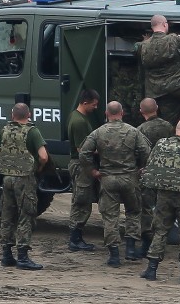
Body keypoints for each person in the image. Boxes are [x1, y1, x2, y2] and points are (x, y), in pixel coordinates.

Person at [79, 101, 151, 267]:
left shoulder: (98, 132)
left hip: (108, 178)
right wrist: (142, 167)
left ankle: (114, 255)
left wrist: (93, 171)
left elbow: (84, 153)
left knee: (110, 217)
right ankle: (131, 249)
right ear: (122, 113)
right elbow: (146, 151)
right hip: (129, 178)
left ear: (106, 113)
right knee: (134, 212)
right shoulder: (133, 132)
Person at [139, 118, 180, 284]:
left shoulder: (161, 144)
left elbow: (151, 164)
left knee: (160, 230)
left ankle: (151, 269)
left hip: (163, 194)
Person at [0, 103, 48, 271]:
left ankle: (7, 255)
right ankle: (23, 256)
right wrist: (37, 168)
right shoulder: (32, 131)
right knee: (26, 215)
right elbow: (43, 156)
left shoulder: (4, 130)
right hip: (24, 179)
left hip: (7, 178)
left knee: (7, 215)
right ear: (29, 114)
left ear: (12, 116)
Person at [135, 97, 174, 257]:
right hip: (165, 173)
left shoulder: (140, 130)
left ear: (141, 111)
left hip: (148, 175)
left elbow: (138, 152)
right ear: (157, 108)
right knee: (163, 208)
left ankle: (147, 244)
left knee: (146, 209)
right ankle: (161, 242)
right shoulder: (168, 126)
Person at [66, 88, 99, 252]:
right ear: (85, 102)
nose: (96, 107)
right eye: (94, 104)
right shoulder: (79, 121)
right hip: (81, 166)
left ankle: (76, 238)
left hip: (80, 164)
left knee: (81, 200)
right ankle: (75, 239)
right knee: (81, 201)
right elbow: (81, 150)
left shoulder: (78, 117)